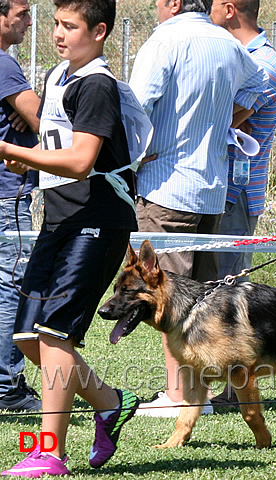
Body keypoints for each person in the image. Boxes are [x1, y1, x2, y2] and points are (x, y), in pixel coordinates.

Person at [0, 0, 141, 476]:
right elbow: (57, 146)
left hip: (97, 217)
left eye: (71, 26)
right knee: (26, 337)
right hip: (60, 218)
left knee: (55, 334)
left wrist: (9, 148)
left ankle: (48, 453)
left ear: (99, 31)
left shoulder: (98, 84)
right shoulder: (58, 76)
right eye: (56, 24)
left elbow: (82, 161)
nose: (58, 34)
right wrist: (28, 157)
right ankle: (110, 403)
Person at [129, 0, 266, 417]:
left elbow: (136, 107)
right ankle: (198, 397)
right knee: (205, 303)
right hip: (211, 189)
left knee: (166, 299)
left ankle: (181, 398)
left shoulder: (165, 39)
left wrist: (136, 157)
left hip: (166, 188)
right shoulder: (227, 43)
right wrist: (221, 122)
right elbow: (259, 86)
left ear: (173, 3)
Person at [208, 0, 276, 406]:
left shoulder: (264, 64)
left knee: (229, 292)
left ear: (229, 9)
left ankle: (235, 390)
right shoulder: (239, 56)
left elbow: (226, 118)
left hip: (237, 192)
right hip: (221, 189)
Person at [0, 0, 41, 413]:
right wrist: (30, 107)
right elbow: (44, 118)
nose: (30, 20)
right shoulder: (4, 65)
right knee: (11, 287)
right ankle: (8, 387)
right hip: (6, 196)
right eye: (23, 12)